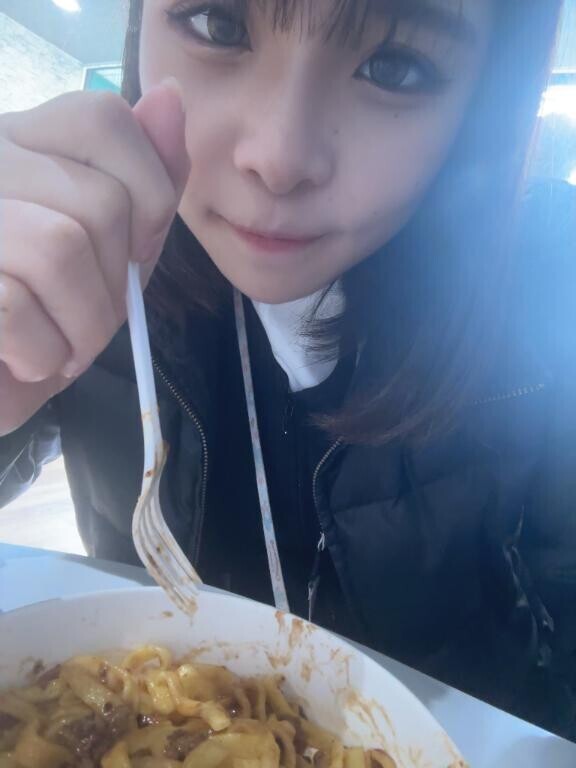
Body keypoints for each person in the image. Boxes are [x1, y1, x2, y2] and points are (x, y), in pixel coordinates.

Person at [1, 0, 575, 739]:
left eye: (395, 67)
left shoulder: (549, 278)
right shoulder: (81, 241)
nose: (277, 160)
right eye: (219, 25)